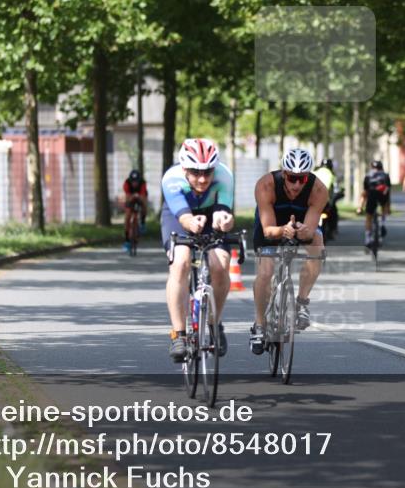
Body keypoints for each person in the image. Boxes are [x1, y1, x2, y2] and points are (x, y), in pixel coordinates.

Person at [160, 139, 235, 363]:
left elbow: (224, 210)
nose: (202, 179)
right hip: (179, 215)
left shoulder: (224, 176)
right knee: (181, 261)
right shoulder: (171, 178)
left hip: (210, 211)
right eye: (195, 172)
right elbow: (183, 217)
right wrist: (191, 223)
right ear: (184, 168)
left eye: (207, 172)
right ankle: (178, 334)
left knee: (220, 264)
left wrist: (225, 220)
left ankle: (214, 323)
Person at [249, 147, 328, 355]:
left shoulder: (318, 190)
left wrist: (303, 232)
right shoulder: (266, 185)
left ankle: (302, 302)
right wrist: (282, 230)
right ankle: (259, 324)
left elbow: (310, 231)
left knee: (318, 242)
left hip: (300, 222)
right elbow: (267, 230)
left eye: (301, 179)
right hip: (272, 226)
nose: (296, 184)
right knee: (265, 273)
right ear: (284, 173)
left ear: (308, 177)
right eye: (292, 178)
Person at [357, 160, 391, 247]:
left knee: (369, 216)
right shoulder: (385, 175)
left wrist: (361, 206)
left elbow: (365, 192)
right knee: (384, 203)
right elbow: (388, 190)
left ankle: (367, 239)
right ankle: (383, 223)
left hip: (372, 193)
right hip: (382, 194)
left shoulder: (368, 176)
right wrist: (388, 207)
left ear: (372, 167)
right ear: (381, 167)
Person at [122, 169, 148, 252]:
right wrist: (133, 196)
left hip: (140, 197)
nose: (134, 183)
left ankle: (143, 222)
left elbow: (143, 197)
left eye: (136, 181)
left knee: (144, 206)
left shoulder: (143, 183)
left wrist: (139, 197)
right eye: (133, 181)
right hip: (130, 198)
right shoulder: (126, 183)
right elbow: (127, 197)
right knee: (127, 216)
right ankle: (126, 240)